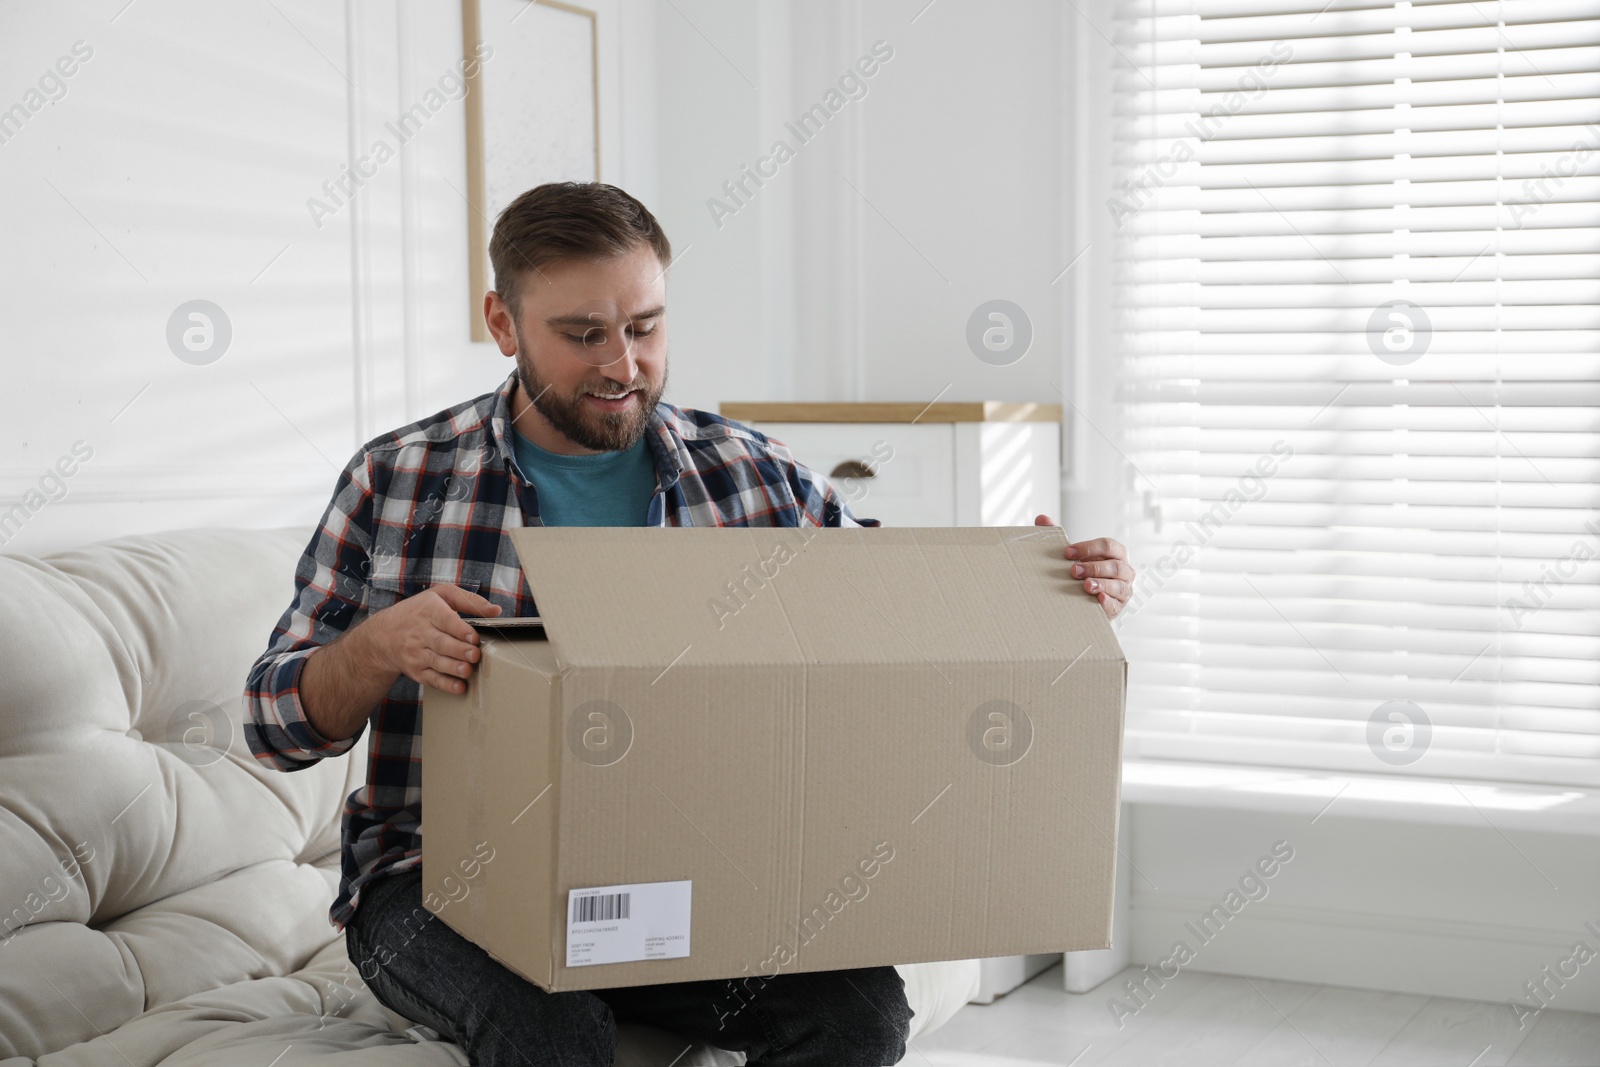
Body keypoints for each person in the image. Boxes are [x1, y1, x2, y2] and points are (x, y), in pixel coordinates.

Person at [243, 181, 1135, 1066]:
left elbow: (889, 610)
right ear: (503, 324)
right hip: (439, 879)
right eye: (583, 334)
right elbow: (273, 724)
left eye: (644, 327)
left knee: (856, 1017)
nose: (623, 365)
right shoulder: (397, 479)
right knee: (555, 1035)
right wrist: (378, 645)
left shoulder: (749, 475)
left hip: (683, 883)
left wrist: (1037, 582)